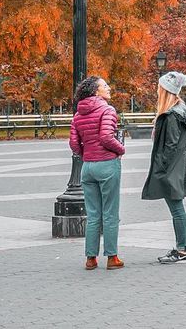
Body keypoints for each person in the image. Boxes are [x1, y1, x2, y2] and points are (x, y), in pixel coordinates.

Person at [142, 70, 186, 265]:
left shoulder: (170, 116)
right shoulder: (181, 110)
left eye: (160, 88)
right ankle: (182, 248)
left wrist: (161, 169)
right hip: (178, 167)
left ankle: (183, 250)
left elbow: (169, 146)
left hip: (171, 169)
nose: (157, 90)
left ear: (166, 91)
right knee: (177, 209)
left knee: (177, 210)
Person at [69, 75, 125, 270]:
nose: (108, 88)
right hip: (107, 164)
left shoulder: (78, 115)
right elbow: (106, 136)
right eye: (105, 86)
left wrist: (87, 153)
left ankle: (90, 258)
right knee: (110, 213)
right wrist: (121, 150)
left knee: (93, 214)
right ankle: (112, 257)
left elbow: (74, 144)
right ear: (95, 91)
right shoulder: (107, 110)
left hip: (88, 167)